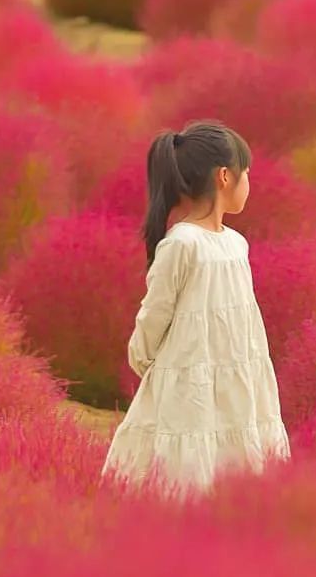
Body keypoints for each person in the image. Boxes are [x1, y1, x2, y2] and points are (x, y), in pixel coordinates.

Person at [101, 120, 290, 498]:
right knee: (188, 469)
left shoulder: (236, 244)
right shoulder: (182, 244)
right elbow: (155, 311)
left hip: (236, 375)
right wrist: (144, 357)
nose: (250, 183)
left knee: (228, 456)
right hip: (192, 379)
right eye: (246, 174)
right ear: (225, 177)